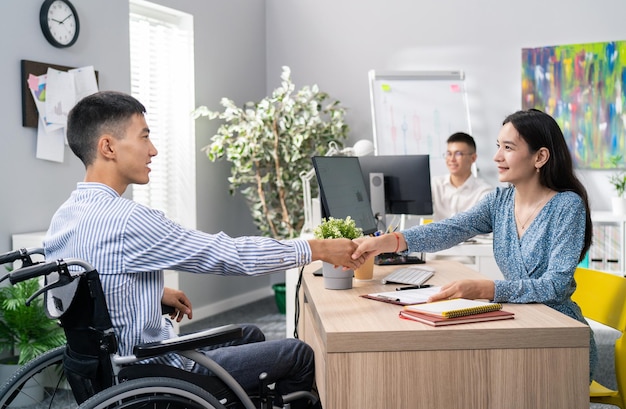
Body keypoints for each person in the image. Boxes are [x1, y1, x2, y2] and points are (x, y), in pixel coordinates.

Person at [44, 90, 362, 408]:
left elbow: (91, 286)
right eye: (144, 137)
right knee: (298, 354)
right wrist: (317, 249)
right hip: (154, 373)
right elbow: (229, 255)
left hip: (107, 369)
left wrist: (154, 294)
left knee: (249, 333)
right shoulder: (129, 221)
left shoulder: (65, 216)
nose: (152, 150)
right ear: (108, 147)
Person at [352, 109, 596, 381]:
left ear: (539, 157)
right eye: (498, 146)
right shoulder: (500, 201)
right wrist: (394, 241)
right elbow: (452, 228)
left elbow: (556, 285)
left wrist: (487, 288)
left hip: (561, 336)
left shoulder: (567, 206)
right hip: (522, 322)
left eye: (508, 147)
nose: (497, 157)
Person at [431, 132, 492, 221]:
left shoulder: (484, 193)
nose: (452, 159)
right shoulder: (435, 184)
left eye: (458, 154)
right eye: (449, 153)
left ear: (473, 158)